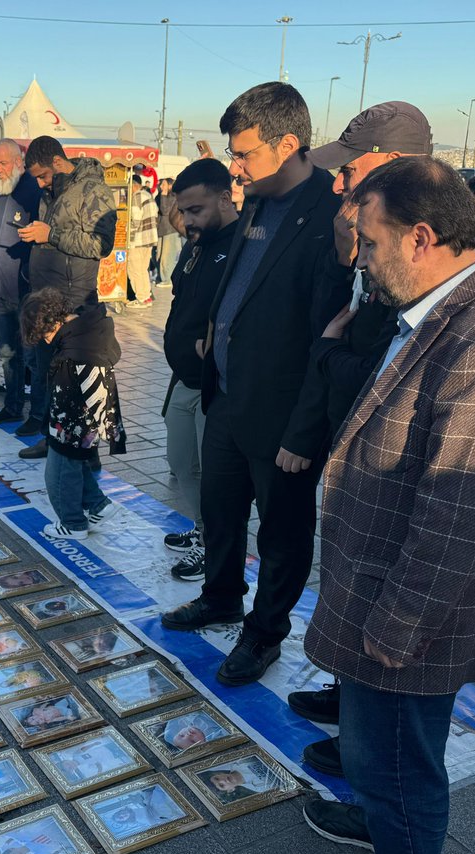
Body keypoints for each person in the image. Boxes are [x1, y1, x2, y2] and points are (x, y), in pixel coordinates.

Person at [300, 155, 475, 854]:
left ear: (419, 237)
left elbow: (461, 515)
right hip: (388, 590)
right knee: (382, 762)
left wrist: (398, 624)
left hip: (414, 612)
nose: (364, 263)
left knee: (402, 772)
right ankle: (382, 833)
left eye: (369, 243)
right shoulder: (442, 309)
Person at [158, 82, 344, 688]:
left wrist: (307, 428)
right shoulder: (259, 201)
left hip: (285, 415)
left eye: (245, 155)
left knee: (284, 532)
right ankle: (221, 596)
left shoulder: (331, 213)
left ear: (289, 144)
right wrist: (217, 331)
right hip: (230, 396)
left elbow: (330, 338)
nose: (234, 168)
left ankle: (264, 632)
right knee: (219, 508)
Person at [284, 101, 434, 775]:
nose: (340, 184)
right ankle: (349, 702)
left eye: (354, 170)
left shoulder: (418, 257)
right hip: (351, 446)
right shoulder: (365, 234)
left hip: (391, 463)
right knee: (347, 578)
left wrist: (328, 354)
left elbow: (379, 372)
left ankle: (368, 751)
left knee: (379, 595)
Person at [160, 158, 239, 581]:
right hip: (183, 378)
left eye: (196, 210)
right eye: (183, 211)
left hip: (216, 383)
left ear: (225, 198)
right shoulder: (196, 245)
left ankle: (216, 549)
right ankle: (203, 528)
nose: (187, 220)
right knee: (180, 461)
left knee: (215, 476)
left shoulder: (242, 247)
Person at [17, 135, 117, 457]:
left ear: (58, 163)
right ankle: (54, 438)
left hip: (74, 302)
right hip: (49, 299)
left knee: (70, 379)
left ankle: (78, 447)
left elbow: (100, 245)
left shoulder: (93, 191)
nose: (41, 183)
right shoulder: (53, 191)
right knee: (49, 374)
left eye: (43, 175)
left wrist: (51, 234)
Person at [21, 287, 125, 540]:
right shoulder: (89, 327)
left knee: (58, 472)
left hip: (75, 420)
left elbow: (67, 399)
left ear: (53, 322)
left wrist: (55, 432)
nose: (45, 340)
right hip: (93, 415)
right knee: (75, 463)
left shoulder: (72, 354)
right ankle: (98, 505)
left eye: (44, 334)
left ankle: (73, 523)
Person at [0, 138, 44, 426]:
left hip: (24, 290)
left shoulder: (33, 192)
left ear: (19, 161)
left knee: (32, 357)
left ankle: (40, 415)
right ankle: (13, 406)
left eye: (3, 163)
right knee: (7, 354)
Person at [125, 174, 159, 311]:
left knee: (134, 269)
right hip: (150, 238)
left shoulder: (136, 197)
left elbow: (136, 220)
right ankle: (146, 297)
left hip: (138, 239)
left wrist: (128, 237)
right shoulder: (148, 196)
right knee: (143, 269)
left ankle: (140, 298)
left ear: (133, 186)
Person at [155, 178, 181, 285]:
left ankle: (167, 279)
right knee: (158, 255)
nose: (161, 187)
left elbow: (165, 211)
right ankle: (162, 276)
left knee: (167, 256)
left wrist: (164, 195)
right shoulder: (161, 196)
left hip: (170, 230)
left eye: (164, 185)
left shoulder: (173, 196)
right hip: (162, 229)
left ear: (170, 186)